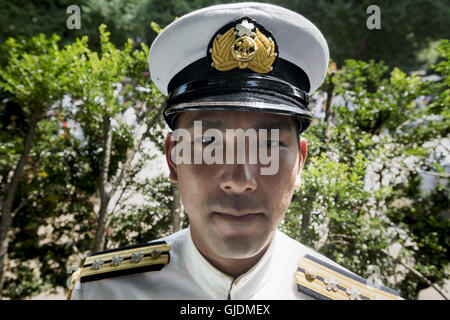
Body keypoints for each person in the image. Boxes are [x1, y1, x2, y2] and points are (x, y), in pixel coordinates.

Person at [69, 2, 401, 300]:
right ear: (173, 158)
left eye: (267, 145)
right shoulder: (102, 292)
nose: (240, 180)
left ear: (299, 163)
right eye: (209, 143)